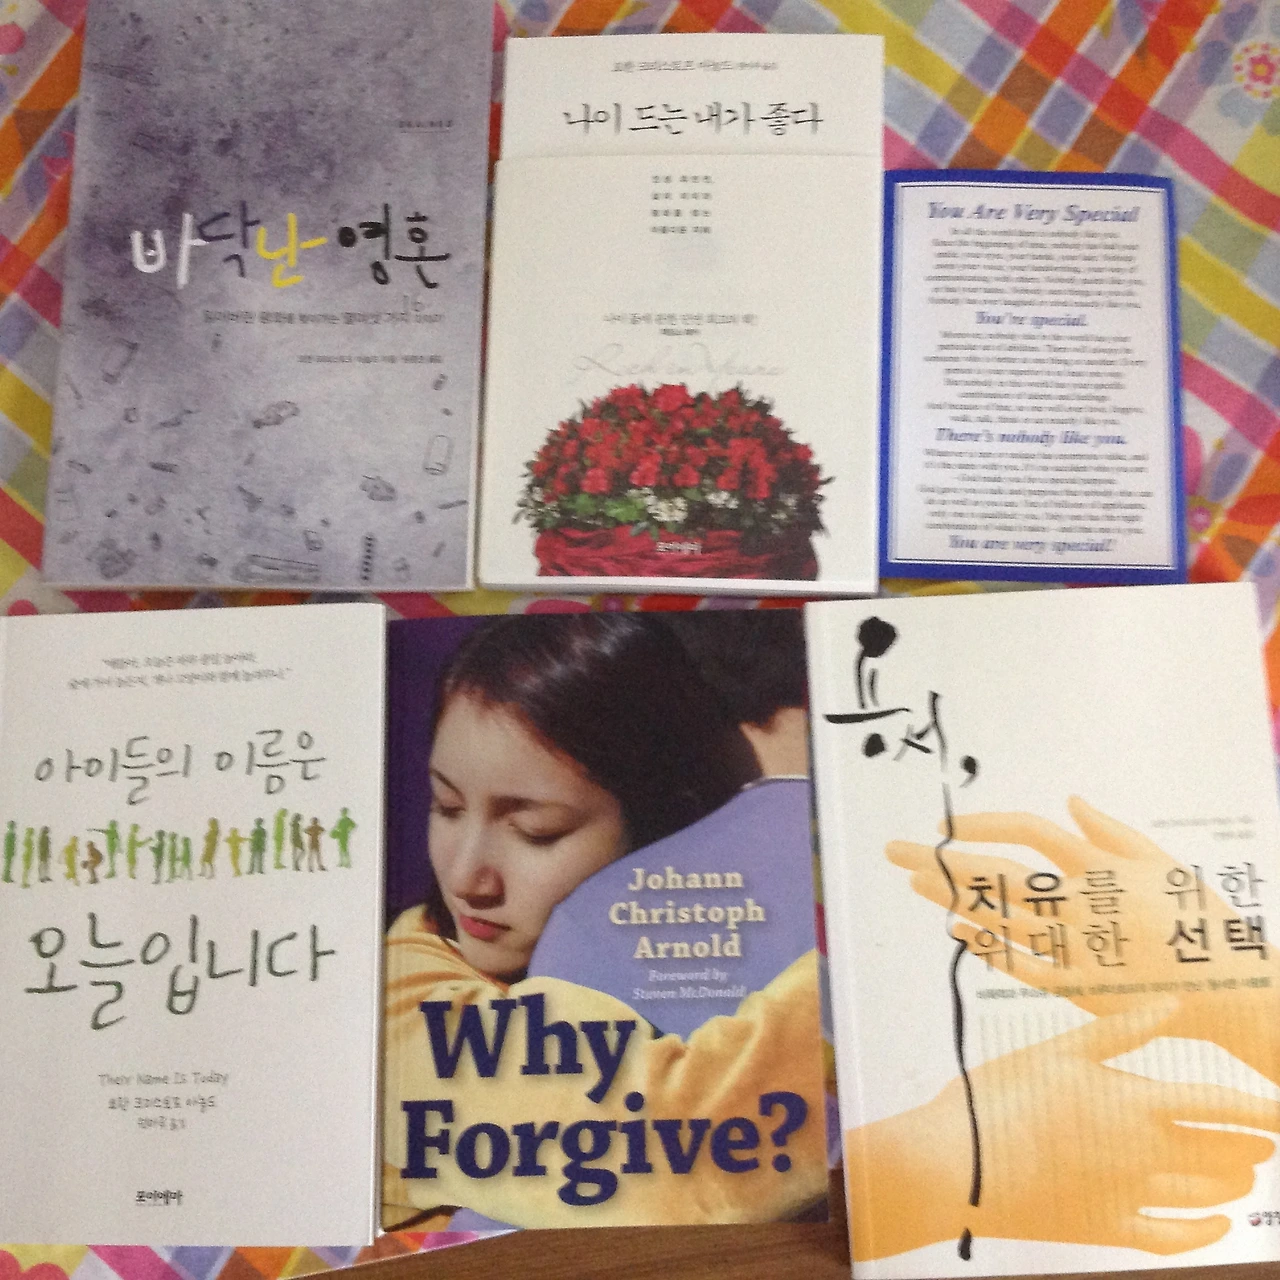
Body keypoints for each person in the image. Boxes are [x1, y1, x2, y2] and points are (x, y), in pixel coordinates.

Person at [382, 613, 826, 1230]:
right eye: (448, 807)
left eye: (535, 832)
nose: (467, 879)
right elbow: (682, 1159)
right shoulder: (401, 988)